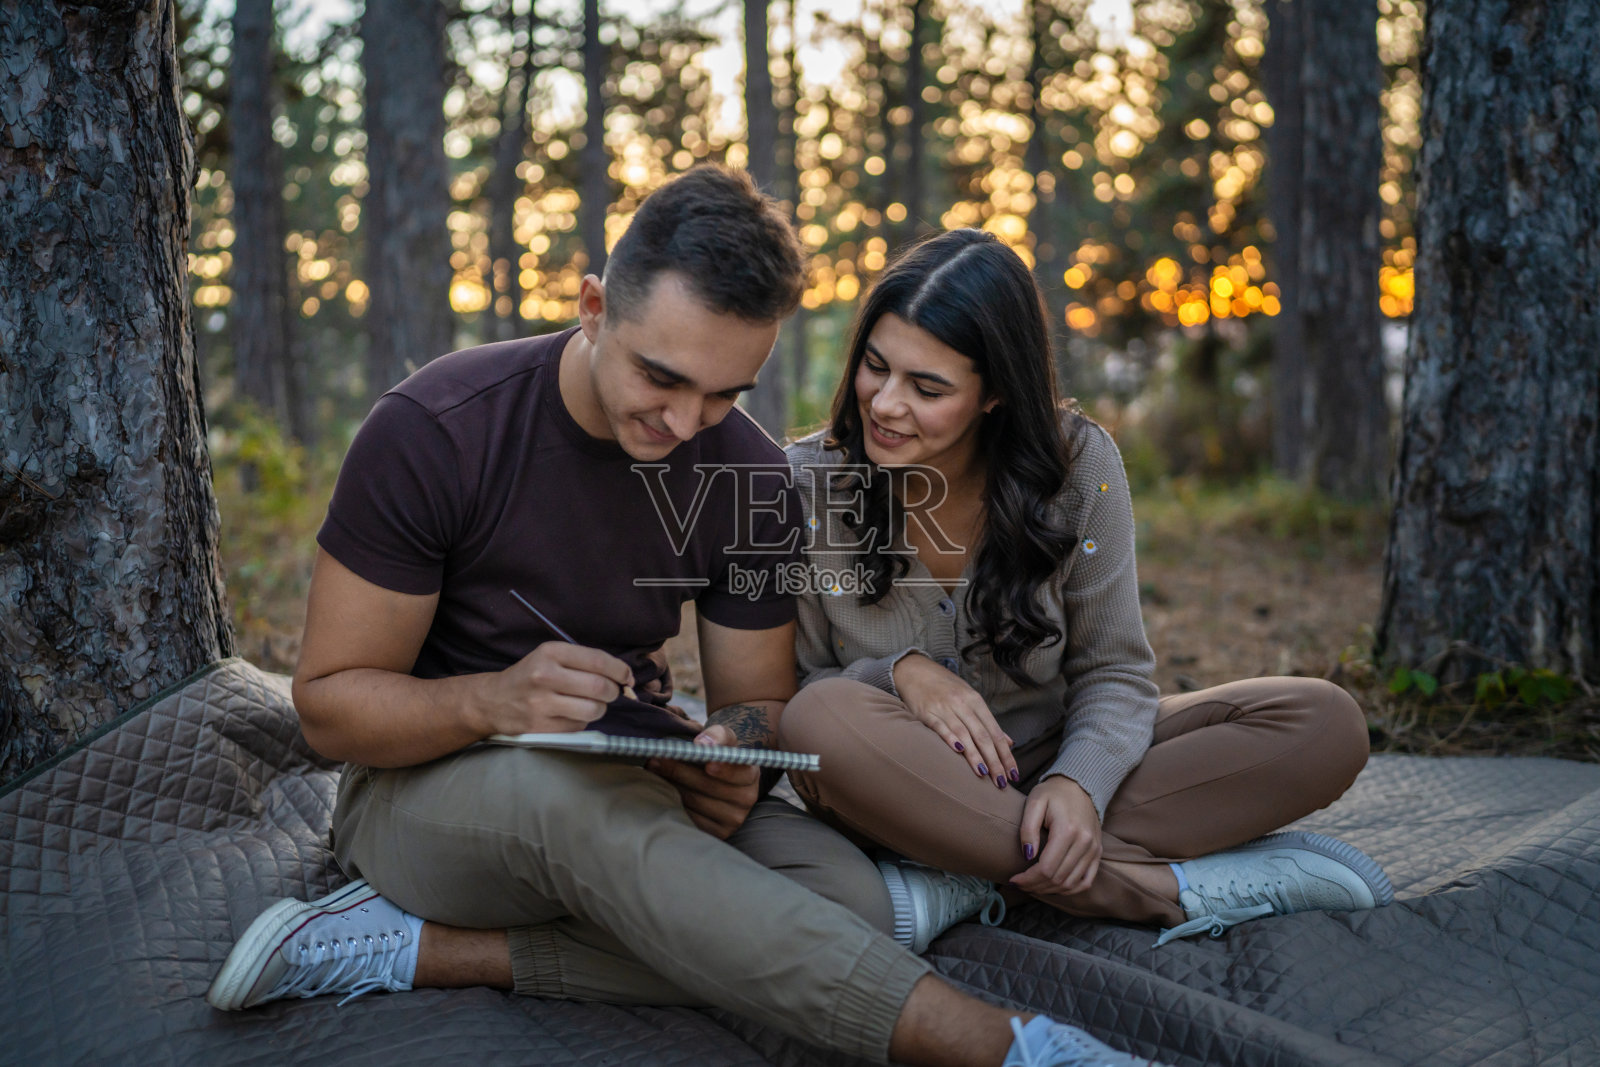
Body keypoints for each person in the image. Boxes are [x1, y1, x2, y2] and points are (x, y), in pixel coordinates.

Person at [205, 168, 1169, 1067]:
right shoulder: (435, 432)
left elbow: (759, 701)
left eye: (724, 393)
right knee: (568, 810)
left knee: (850, 905)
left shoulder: (746, 474)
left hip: (627, 780)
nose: (684, 422)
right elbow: (328, 707)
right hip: (424, 791)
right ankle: (1007, 1046)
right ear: (592, 309)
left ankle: (445, 951)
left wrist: (728, 762)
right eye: (660, 378)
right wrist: (496, 700)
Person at [778, 228, 1393, 955]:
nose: (884, 402)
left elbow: (1114, 671)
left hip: (1056, 759)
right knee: (821, 717)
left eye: (927, 387)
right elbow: (801, 686)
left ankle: (970, 879)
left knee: (1323, 722)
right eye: (875, 367)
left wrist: (1078, 783)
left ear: (995, 393)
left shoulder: (1078, 467)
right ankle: (1153, 889)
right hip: (905, 788)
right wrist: (901, 675)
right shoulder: (806, 484)